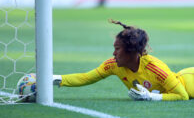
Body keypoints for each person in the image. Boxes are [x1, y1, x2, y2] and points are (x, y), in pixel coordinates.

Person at [53, 19, 194, 101]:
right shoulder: (113, 65)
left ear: (131, 52)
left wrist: (150, 97)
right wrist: (53, 78)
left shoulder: (155, 68)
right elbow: (85, 78)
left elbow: (182, 95)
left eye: (118, 49)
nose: (114, 53)